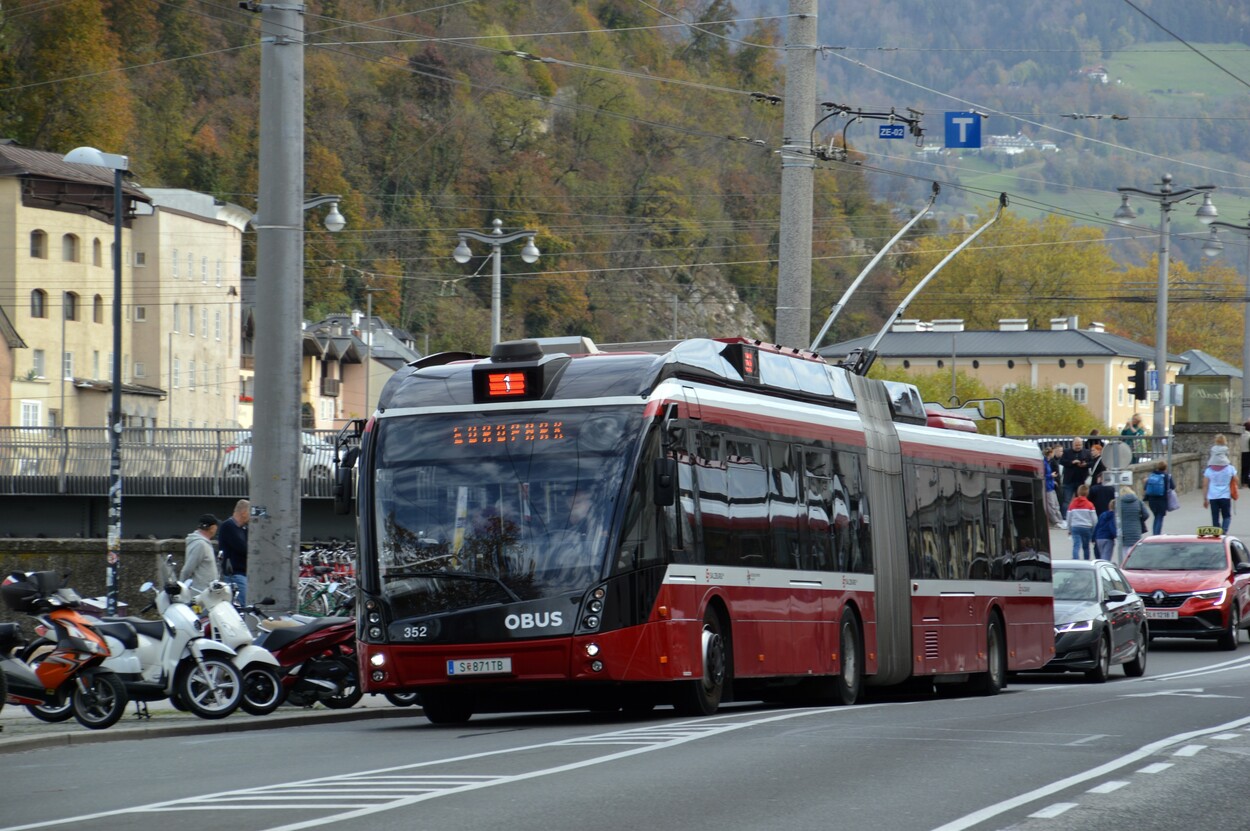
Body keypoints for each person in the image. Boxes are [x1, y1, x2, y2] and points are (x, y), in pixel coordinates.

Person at [217, 499, 250, 605]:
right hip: (235, 573)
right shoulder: (228, 526)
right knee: (243, 605)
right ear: (244, 512)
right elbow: (244, 548)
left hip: (242, 573)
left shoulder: (242, 529)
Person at [181, 513, 220, 588]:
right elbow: (187, 569)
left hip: (206, 592)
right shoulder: (200, 544)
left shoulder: (202, 543)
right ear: (212, 528)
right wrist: (182, 588)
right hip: (200, 592)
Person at [1203, 452, 1237, 533]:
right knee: (1226, 516)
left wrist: (1205, 499)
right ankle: (1224, 532)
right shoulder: (1230, 468)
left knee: (1215, 517)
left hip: (1213, 496)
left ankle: (1217, 533)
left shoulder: (1209, 470)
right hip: (1225, 496)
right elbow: (1237, 480)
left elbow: (1205, 485)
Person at [1060, 437, 1091, 514]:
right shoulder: (1067, 452)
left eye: (1079, 445)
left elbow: (1091, 463)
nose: (1078, 447)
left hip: (1081, 480)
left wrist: (1085, 464)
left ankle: (1079, 515)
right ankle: (1065, 517)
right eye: (1076, 445)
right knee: (1066, 500)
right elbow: (1062, 461)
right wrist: (1071, 462)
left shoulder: (1086, 452)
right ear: (1072, 444)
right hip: (1069, 480)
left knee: (1081, 500)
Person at [1067, 484, 1097, 560]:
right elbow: (1094, 520)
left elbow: (1069, 518)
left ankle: (1075, 561)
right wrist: (1094, 530)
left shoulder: (1072, 504)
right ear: (1087, 493)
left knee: (1076, 546)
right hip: (1087, 528)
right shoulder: (1090, 505)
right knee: (1086, 547)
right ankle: (1086, 561)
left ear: (1078, 492)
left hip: (1075, 527)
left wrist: (1069, 529)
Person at [1144, 460, 1174, 536]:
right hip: (1162, 500)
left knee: (1156, 517)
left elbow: (1145, 488)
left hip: (1151, 500)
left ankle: (1155, 533)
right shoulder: (1167, 476)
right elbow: (1172, 486)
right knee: (1159, 518)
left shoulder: (1152, 475)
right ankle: (1156, 535)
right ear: (1165, 468)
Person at [1117, 485, 1149, 553]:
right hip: (1136, 530)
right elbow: (1146, 514)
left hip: (1124, 532)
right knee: (1134, 551)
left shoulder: (1119, 503)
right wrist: (1139, 519)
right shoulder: (1138, 501)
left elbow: (1116, 517)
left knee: (1125, 555)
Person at [1042, 445, 1065, 529]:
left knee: (1055, 504)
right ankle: (1056, 521)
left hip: (1050, 485)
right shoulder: (1044, 463)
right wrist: (1051, 476)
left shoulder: (1047, 463)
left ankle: (1059, 520)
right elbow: (1043, 475)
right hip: (1048, 487)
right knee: (1051, 505)